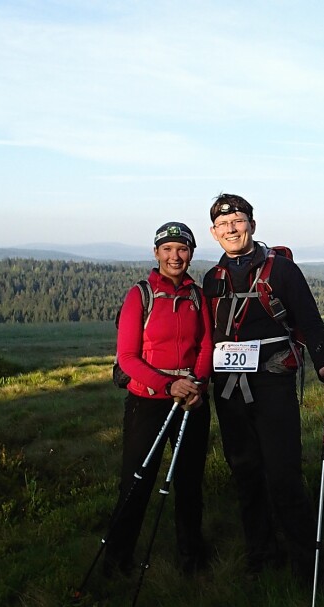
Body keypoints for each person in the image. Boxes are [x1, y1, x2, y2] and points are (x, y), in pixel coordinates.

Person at [202, 193, 324, 584]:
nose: (231, 229)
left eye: (238, 221)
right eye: (223, 225)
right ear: (214, 234)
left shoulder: (281, 271)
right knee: (244, 471)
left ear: (251, 223)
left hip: (273, 386)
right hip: (228, 390)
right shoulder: (212, 278)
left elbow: (310, 323)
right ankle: (260, 556)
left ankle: (306, 565)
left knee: (283, 476)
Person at [104, 222, 214, 578]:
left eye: (182, 249)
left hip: (191, 402)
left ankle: (191, 558)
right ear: (156, 253)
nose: (175, 256)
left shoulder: (197, 295)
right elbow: (128, 359)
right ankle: (117, 560)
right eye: (167, 249)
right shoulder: (141, 295)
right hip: (147, 402)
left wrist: (194, 383)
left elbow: (206, 345)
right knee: (136, 482)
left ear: (191, 254)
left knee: (189, 483)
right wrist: (170, 387)